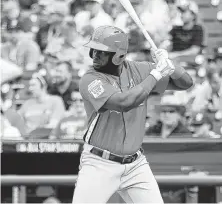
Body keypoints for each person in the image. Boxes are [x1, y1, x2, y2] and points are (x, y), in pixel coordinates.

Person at [72, 25, 193, 203]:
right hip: (100, 163)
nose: (95, 56)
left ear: (119, 55)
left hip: (135, 165)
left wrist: (171, 65)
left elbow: (186, 83)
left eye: (102, 52)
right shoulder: (90, 78)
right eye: (94, 50)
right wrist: (156, 73)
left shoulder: (139, 70)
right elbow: (124, 103)